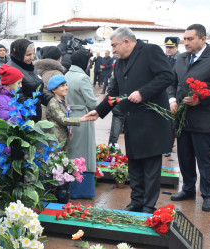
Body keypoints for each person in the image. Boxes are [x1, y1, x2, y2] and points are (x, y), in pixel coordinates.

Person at [86, 27, 173, 213]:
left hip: (152, 122)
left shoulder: (150, 51)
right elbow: (115, 93)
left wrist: (143, 93)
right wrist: (99, 111)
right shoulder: (119, 63)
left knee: (150, 167)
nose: (113, 49)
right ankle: (136, 201)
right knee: (134, 165)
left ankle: (149, 206)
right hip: (132, 122)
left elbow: (167, 76)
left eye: (114, 45)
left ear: (127, 41)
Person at [168, 24, 210, 212]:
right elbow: (172, 82)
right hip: (183, 118)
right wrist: (172, 100)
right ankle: (188, 188)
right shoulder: (181, 58)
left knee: (205, 159)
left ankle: (208, 194)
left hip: (204, 117)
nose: (185, 42)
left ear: (203, 39)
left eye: (190, 39)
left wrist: (200, 98)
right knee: (184, 156)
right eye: (185, 39)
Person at [65, 48, 98, 199]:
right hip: (83, 117)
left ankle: (70, 188)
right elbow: (92, 102)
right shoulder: (83, 78)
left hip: (69, 117)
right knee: (84, 155)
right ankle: (83, 191)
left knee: (73, 153)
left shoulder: (66, 75)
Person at [7, 38, 52, 122]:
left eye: (33, 54)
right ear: (19, 55)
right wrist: (29, 119)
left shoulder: (28, 65)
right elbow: (18, 98)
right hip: (25, 119)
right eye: (28, 55)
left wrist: (52, 101)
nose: (32, 57)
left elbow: (37, 90)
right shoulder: (12, 69)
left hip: (34, 114)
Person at [46, 75, 90, 152]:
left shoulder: (62, 101)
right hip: (56, 140)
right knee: (55, 162)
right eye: (62, 86)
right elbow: (63, 120)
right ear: (54, 89)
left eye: (66, 85)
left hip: (63, 138)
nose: (66, 88)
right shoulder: (53, 103)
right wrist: (81, 119)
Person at [164, 36, 180, 157]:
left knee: (171, 122)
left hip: (174, 94)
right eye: (167, 47)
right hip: (163, 93)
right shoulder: (164, 58)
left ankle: (168, 146)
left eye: (171, 47)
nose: (168, 50)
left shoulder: (181, 59)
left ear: (177, 47)